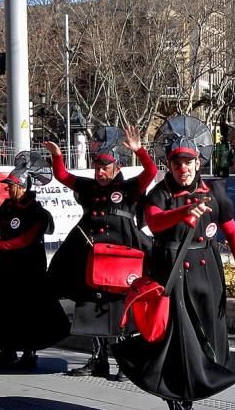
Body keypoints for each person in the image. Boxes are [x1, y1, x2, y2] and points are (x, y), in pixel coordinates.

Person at [113, 116, 235, 410]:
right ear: (170, 166)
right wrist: (184, 212)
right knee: (179, 352)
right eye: (177, 164)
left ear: (198, 162)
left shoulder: (215, 191)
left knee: (212, 349)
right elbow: (154, 221)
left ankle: (186, 398)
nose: (183, 169)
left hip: (208, 279)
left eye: (188, 163)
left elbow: (232, 232)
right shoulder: (160, 193)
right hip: (170, 277)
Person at [44, 125, 157, 378]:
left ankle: (125, 364)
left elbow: (151, 172)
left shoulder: (129, 188)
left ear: (116, 167)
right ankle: (98, 359)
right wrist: (57, 156)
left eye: (105, 167)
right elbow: (63, 176)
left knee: (120, 308)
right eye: (97, 167)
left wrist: (140, 151)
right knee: (90, 303)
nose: (100, 172)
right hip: (90, 255)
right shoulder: (88, 186)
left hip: (121, 258)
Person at [0, 152, 69, 368]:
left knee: (27, 311)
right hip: (5, 265)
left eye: (12, 185)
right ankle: (6, 350)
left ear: (24, 187)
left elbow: (25, 240)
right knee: (0, 307)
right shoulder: (8, 205)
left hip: (28, 269)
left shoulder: (37, 212)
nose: (8, 189)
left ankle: (29, 352)